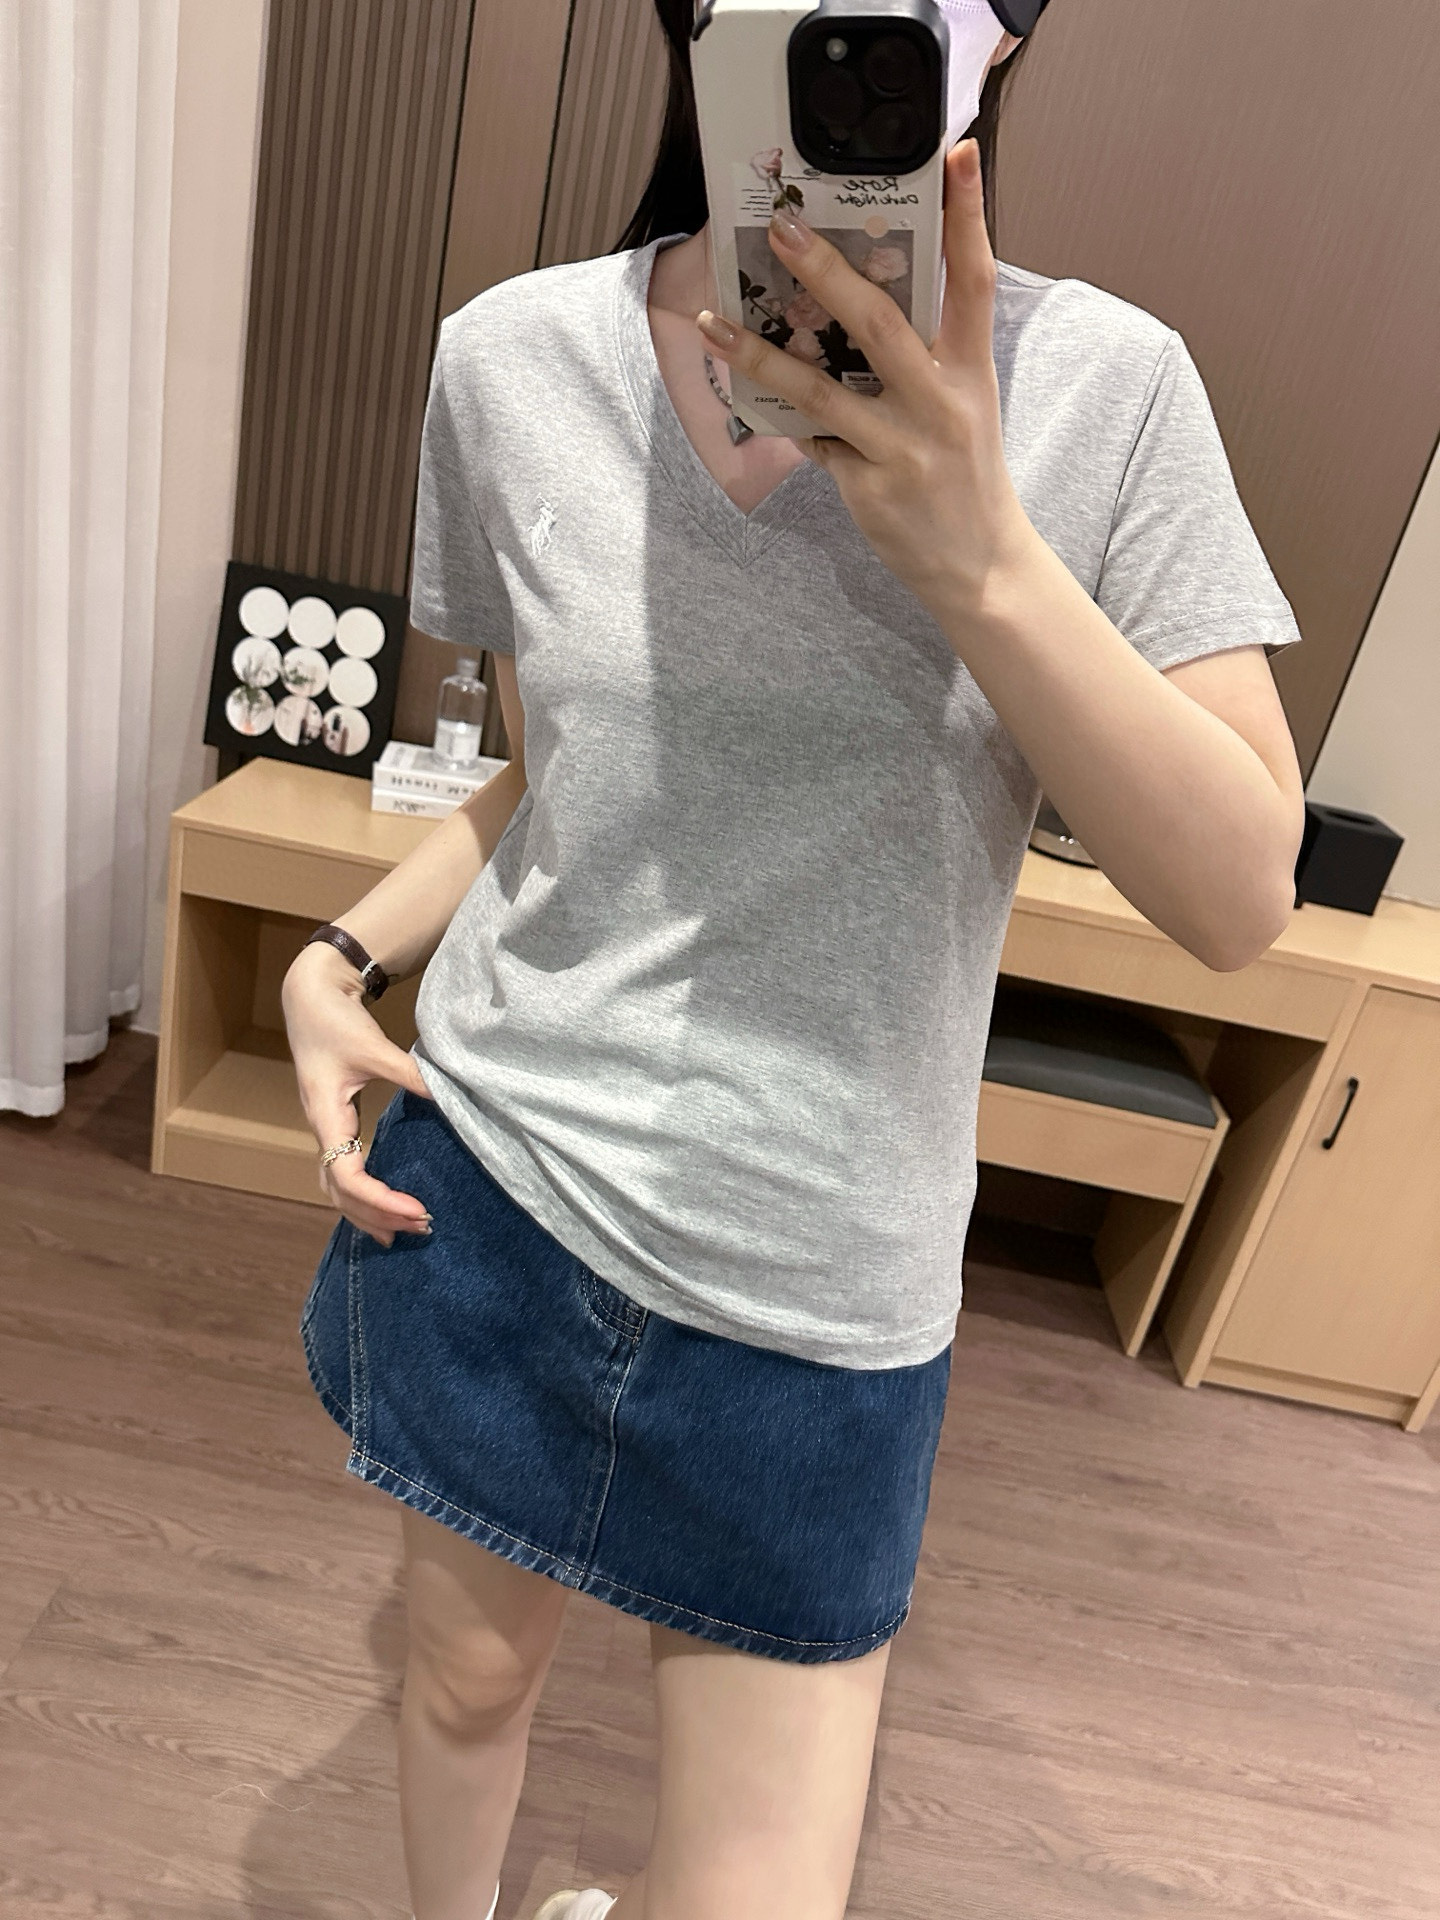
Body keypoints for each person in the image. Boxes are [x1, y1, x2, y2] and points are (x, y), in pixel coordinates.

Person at [281, 2, 1306, 1915]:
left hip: (823, 1283)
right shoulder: (512, 357)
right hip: (496, 1184)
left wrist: (980, 550)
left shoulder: (1108, 393)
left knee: (757, 1881)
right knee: (461, 1684)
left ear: (998, 39)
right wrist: (336, 953)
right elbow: (562, 772)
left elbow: (1244, 897)